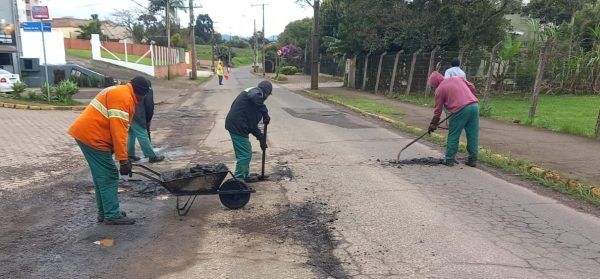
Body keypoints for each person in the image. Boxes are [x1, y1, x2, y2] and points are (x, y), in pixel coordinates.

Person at [68, 76, 152, 225]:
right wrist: (123, 159)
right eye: (144, 95)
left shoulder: (123, 92)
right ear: (141, 93)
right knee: (109, 175)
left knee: (101, 176)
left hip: (88, 134)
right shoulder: (124, 97)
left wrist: (121, 156)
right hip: (93, 137)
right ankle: (112, 214)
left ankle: (105, 212)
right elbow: (118, 130)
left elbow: (119, 129)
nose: (143, 98)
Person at [427, 71, 479, 167]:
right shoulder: (457, 78)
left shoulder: (439, 89)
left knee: (454, 134)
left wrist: (433, 124)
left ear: (435, 83)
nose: (433, 88)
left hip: (460, 110)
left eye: (432, 86)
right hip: (474, 106)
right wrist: (466, 97)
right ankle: (473, 159)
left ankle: (449, 159)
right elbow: (472, 87)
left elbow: (437, 111)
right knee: (473, 134)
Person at [225, 80, 272, 182]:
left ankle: (244, 176)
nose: (267, 97)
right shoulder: (255, 92)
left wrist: (261, 139)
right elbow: (254, 96)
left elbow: (252, 125)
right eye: (268, 94)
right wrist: (265, 113)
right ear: (265, 92)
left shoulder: (254, 105)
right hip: (237, 125)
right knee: (244, 154)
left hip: (239, 125)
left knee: (246, 152)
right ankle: (238, 180)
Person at [127, 86, 165, 163]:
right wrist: (148, 120)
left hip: (129, 111)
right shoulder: (148, 89)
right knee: (142, 133)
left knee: (131, 134)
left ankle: (130, 155)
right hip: (137, 114)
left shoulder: (134, 87)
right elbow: (149, 106)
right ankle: (151, 156)